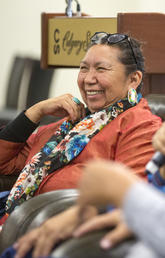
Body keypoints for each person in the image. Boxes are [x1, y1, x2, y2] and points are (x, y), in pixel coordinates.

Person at [0, 32, 161, 224]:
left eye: (101, 69)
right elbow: (4, 164)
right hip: (18, 223)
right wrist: (36, 111)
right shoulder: (70, 123)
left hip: (66, 234)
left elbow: (131, 199)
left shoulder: (141, 126)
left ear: (133, 80)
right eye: (84, 68)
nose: (88, 79)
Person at [13, 122, 165, 258]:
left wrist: (129, 197)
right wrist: (28, 118)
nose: (89, 87)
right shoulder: (67, 120)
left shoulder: (141, 123)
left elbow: (128, 190)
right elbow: (6, 163)